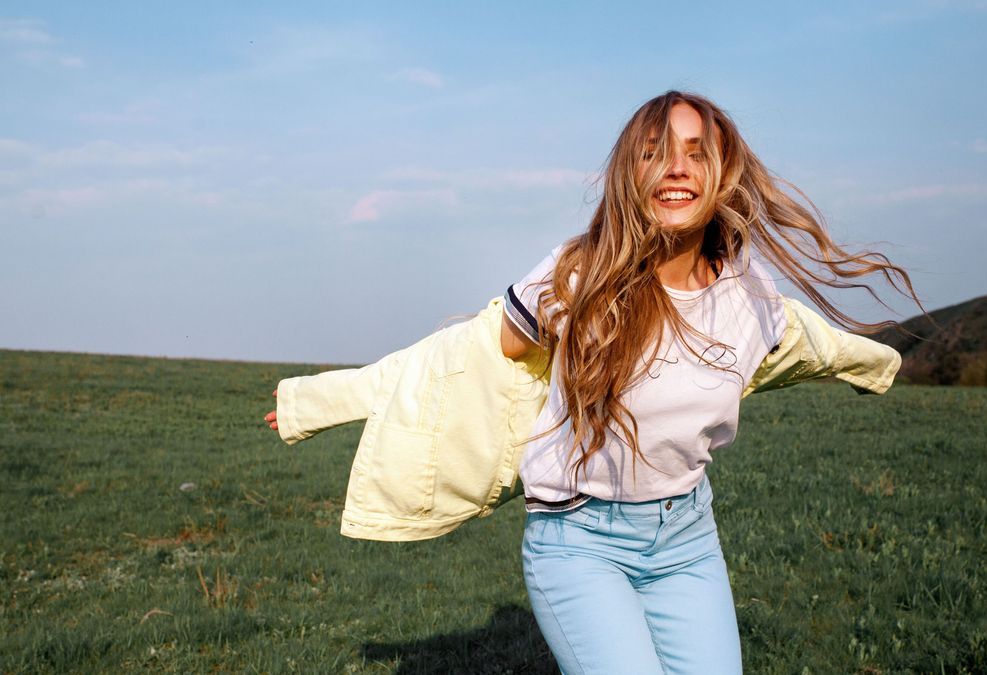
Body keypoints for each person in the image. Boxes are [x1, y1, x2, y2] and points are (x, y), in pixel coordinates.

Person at [266, 90, 917, 674]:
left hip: (687, 537)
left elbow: (807, 340)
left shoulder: (748, 298)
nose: (677, 167)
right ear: (629, 175)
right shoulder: (576, 279)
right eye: (654, 153)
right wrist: (318, 400)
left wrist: (874, 365)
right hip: (579, 542)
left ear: (723, 175)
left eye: (696, 152)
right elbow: (462, 356)